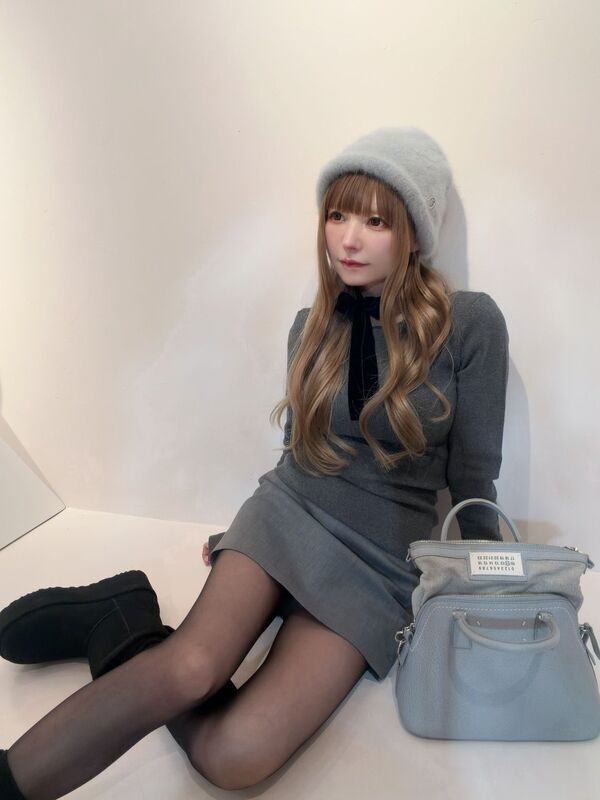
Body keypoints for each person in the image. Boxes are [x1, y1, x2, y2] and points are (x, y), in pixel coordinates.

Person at [0, 127, 509, 798]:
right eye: (337, 215)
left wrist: (493, 583)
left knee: (235, 756)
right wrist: (241, 538)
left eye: (376, 221)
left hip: (379, 564)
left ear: (413, 231)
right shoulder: (311, 324)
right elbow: (300, 451)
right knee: (190, 668)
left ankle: (121, 626)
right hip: (287, 514)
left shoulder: (469, 324)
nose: (349, 239)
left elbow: (474, 475)